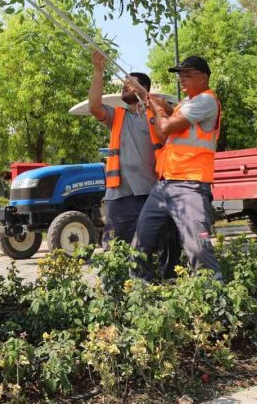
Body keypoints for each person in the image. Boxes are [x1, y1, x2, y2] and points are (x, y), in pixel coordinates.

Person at [128, 55, 223, 282]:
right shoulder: (186, 104)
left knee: (198, 248)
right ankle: (140, 293)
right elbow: (166, 125)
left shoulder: (206, 101)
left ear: (204, 77)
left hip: (190, 185)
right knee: (139, 246)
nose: (181, 79)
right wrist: (150, 99)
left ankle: (214, 299)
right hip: (165, 184)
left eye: (187, 74)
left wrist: (158, 108)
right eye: (180, 74)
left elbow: (167, 126)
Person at [88, 51, 163, 247]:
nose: (123, 87)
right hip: (120, 194)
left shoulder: (156, 113)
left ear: (142, 88)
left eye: (129, 84)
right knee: (117, 247)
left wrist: (148, 99)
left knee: (152, 246)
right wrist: (98, 72)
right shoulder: (118, 116)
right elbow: (95, 107)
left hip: (152, 191)